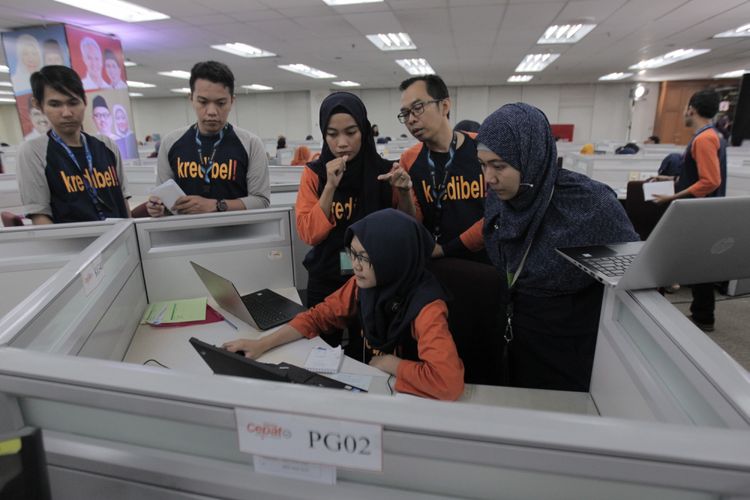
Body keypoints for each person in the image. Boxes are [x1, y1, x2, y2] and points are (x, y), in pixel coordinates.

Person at [478, 103, 638, 392]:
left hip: (567, 348)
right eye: (483, 165)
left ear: (531, 156)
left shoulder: (590, 205)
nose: (488, 178)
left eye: (499, 165)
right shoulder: (500, 199)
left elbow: (634, 277)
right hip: (514, 335)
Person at [224, 209, 465, 401]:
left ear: (392, 258)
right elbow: (317, 317)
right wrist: (261, 344)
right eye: (352, 253)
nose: (355, 266)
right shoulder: (362, 285)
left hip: (409, 401)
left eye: (364, 258)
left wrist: (393, 364)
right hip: (374, 386)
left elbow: (447, 383)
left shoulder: (427, 308)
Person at [295, 92, 401, 353]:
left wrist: (405, 191)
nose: (342, 143)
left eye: (351, 132)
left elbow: (406, 228)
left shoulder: (385, 172)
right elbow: (310, 234)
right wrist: (330, 186)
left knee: (364, 354)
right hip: (326, 276)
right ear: (324, 134)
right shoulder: (314, 174)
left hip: (372, 279)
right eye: (332, 134)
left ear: (364, 131)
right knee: (318, 352)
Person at [147, 61, 270, 216]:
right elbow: (163, 199)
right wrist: (157, 207)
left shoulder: (251, 143)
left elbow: (261, 202)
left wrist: (217, 205)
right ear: (191, 99)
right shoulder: (171, 142)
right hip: (184, 235)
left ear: (232, 101)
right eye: (203, 102)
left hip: (237, 236)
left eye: (221, 103)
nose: (212, 111)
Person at [17, 65, 131, 224]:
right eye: (55, 104)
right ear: (39, 105)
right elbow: (40, 216)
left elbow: (122, 201)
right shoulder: (33, 152)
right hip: (75, 246)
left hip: (119, 240)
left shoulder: (106, 145)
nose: (67, 113)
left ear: (84, 101)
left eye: (73, 102)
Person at [653, 90, 727, 332]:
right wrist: (668, 178)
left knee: (699, 264)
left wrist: (671, 196)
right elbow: (699, 176)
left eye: (686, 107)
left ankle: (703, 316)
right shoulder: (713, 135)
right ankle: (702, 314)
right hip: (703, 210)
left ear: (691, 108)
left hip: (698, 212)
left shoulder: (704, 139)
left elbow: (710, 181)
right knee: (698, 262)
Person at [397, 74, 487, 263]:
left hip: (485, 262)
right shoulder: (408, 160)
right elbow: (414, 223)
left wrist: (446, 249)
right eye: (405, 114)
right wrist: (404, 193)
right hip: (436, 265)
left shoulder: (483, 147)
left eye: (418, 108)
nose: (411, 119)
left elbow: (497, 216)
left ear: (444, 106)